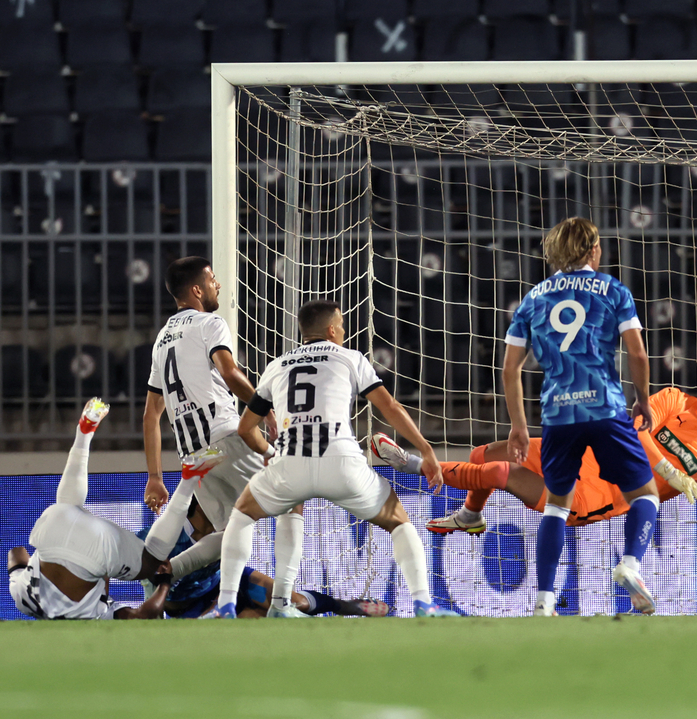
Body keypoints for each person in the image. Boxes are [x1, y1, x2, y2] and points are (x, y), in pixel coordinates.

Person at [401, 367, 697, 590]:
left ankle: (413, 463)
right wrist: (668, 470)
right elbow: (637, 428)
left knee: (498, 472)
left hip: (601, 491)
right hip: (584, 451)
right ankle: (472, 515)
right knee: (484, 454)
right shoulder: (675, 399)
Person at [215, 299, 456, 618]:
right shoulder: (350, 358)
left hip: (291, 463)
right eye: (341, 326)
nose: (343, 331)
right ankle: (423, 603)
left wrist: (270, 454)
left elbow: (246, 427)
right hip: (341, 462)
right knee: (397, 519)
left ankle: (233, 604)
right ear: (331, 329)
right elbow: (390, 408)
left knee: (243, 513)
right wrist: (425, 449)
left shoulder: (277, 365)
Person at [501, 217, 661, 615]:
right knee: (646, 495)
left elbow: (509, 369)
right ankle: (629, 565)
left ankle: (544, 601)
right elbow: (638, 354)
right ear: (593, 250)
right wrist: (642, 399)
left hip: (557, 414)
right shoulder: (612, 289)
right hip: (605, 408)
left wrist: (519, 427)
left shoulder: (534, 298)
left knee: (557, 505)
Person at [142, 257, 291, 604]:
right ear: (196, 289)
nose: (217, 285)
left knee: (227, 535)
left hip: (195, 456)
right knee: (290, 499)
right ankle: (283, 604)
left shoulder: (161, 340)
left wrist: (154, 476)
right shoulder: (209, 323)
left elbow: (151, 414)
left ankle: (161, 572)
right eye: (212, 280)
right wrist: (263, 407)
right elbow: (230, 373)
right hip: (226, 438)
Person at [6, 399, 213, 620]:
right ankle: (84, 430)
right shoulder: (23, 598)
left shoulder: (92, 616)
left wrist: (163, 582)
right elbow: (16, 553)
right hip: (53, 524)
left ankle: (190, 478)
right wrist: (29, 570)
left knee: (150, 563)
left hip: (95, 548)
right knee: (67, 505)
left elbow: (145, 615)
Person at [139, 504, 388, 619]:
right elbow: (125, 568)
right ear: (201, 501)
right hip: (189, 608)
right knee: (259, 622)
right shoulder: (162, 536)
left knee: (294, 601)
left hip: (228, 583)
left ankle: (347, 606)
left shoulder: (230, 528)